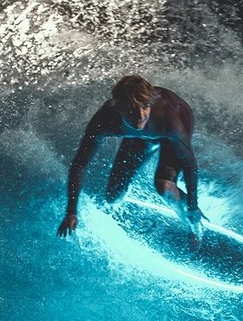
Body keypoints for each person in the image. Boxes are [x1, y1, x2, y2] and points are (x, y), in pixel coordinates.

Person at [56, 75, 208, 246]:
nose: (140, 115)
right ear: (118, 107)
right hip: (139, 137)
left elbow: (189, 163)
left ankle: (194, 225)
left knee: (164, 186)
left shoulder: (168, 118)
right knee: (112, 197)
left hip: (169, 129)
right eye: (132, 109)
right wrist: (71, 212)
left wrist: (193, 205)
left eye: (145, 107)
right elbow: (80, 164)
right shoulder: (106, 120)